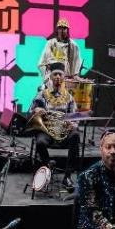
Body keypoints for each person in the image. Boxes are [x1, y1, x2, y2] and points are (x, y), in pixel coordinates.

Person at [27, 62, 80, 190]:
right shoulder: (42, 94)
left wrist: (72, 124)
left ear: (63, 77)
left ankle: (67, 176)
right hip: (47, 131)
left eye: (60, 75)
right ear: (50, 76)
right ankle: (47, 165)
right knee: (40, 142)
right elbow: (30, 112)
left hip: (63, 132)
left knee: (75, 135)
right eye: (55, 74)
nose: (57, 77)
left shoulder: (69, 97)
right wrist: (36, 110)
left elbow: (75, 117)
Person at [38, 18, 83, 83]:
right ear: (57, 30)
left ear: (67, 30)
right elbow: (43, 62)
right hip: (53, 78)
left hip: (66, 78)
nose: (62, 31)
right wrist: (49, 76)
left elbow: (76, 62)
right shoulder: (50, 43)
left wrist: (74, 75)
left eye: (64, 28)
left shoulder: (73, 45)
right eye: (60, 28)